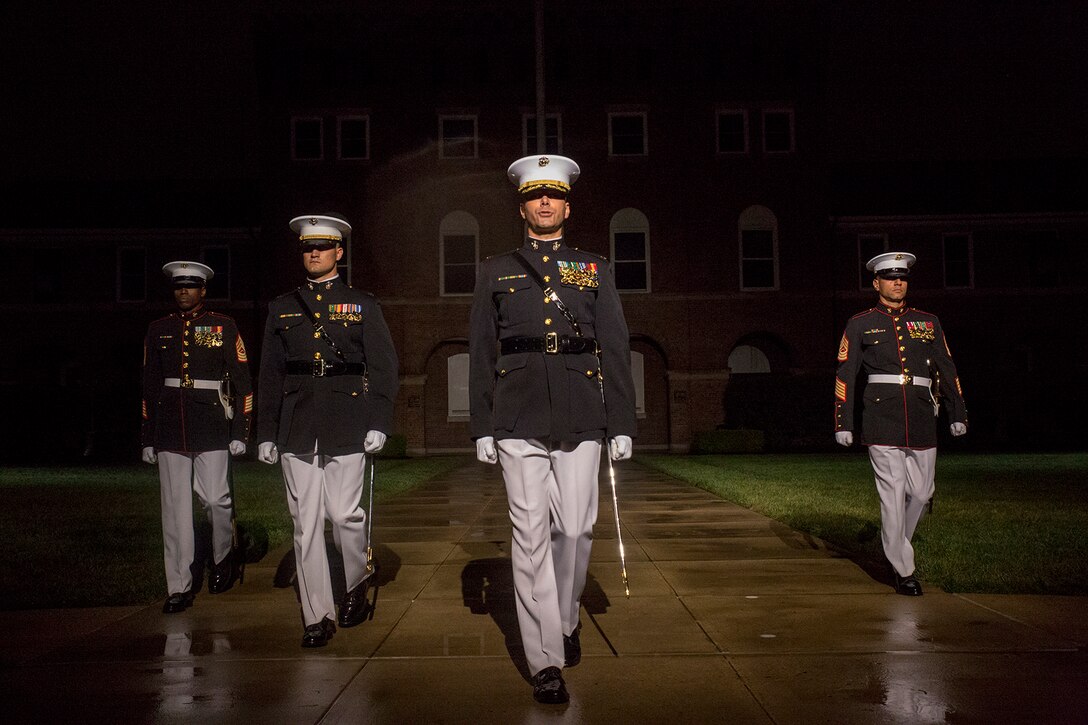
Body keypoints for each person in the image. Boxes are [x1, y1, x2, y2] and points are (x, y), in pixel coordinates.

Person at [469, 155, 637, 704]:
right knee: (530, 535)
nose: (545, 203)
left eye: (554, 195)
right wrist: (481, 424)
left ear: (567, 205)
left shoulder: (593, 268)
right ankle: (544, 658)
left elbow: (614, 346)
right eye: (535, 196)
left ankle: (566, 615)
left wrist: (621, 421)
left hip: (583, 409)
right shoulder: (496, 269)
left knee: (576, 529)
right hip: (517, 413)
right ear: (522, 206)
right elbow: (480, 352)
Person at [256, 213, 399, 648]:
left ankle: (355, 579)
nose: (313, 253)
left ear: (339, 252)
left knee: (343, 515)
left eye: (322, 247)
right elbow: (270, 374)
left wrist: (379, 420)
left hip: (348, 420)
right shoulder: (281, 307)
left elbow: (384, 366)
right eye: (306, 247)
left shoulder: (362, 304)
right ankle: (317, 614)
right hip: (298, 424)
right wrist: (266, 431)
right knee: (305, 526)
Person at [834, 252, 968, 596]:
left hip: (922, 413)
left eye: (903, 278)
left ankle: (897, 545)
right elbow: (846, 375)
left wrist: (958, 412)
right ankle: (904, 570)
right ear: (876, 283)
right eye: (891, 278)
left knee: (922, 493)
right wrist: (842, 422)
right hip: (881, 415)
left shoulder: (927, 321)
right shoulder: (860, 323)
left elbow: (947, 368)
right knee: (892, 495)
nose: (898, 283)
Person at [141, 261, 253, 614]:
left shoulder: (223, 325)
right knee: (174, 510)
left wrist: (241, 431)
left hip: (212, 423)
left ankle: (222, 557)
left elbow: (242, 381)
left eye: (191, 287)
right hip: (171, 425)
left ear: (203, 290)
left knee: (216, 500)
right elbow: (149, 386)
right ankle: (178, 585)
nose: (184, 292)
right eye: (179, 287)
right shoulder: (158, 329)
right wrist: (147, 436)